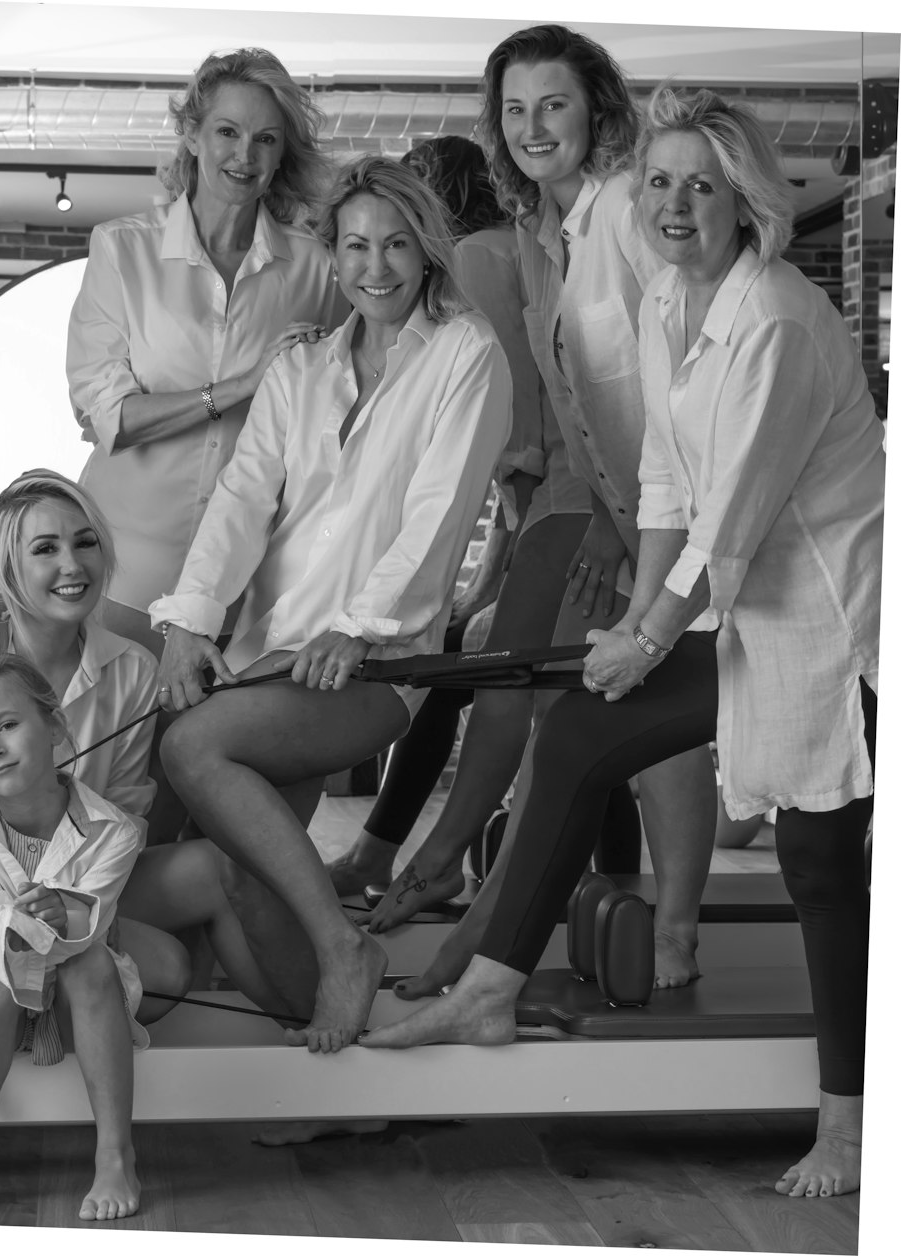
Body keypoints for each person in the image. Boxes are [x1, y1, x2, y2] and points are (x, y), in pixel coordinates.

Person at [363, 86, 883, 1203]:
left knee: (820, 864)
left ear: (744, 199)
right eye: (656, 180)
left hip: (826, 625)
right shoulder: (664, 304)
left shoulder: (779, 318)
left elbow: (735, 510)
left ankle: (847, 1122)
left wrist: (648, 633)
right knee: (582, 734)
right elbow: (661, 479)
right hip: (739, 607)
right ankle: (491, 986)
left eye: (701, 183)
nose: (674, 203)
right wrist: (636, 619)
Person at [360, 27, 717, 993]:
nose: (531, 127)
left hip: (677, 514)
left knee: (650, 713)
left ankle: (671, 928)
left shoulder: (629, 214)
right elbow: (576, 402)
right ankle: (488, 920)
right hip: (626, 504)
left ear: (598, 108)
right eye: (514, 111)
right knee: (607, 711)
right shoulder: (547, 233)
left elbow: (674, 385)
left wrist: (620, 521)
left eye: (552, 104)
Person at [151, 155, 513, 1054]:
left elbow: (441, 511)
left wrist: (360, 627)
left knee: (193, 743)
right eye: (355, 246)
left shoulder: (467, 355)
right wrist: (192, 618)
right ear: (333, 254)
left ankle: (342, 944)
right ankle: (340, 1081)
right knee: (240, 875)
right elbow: (241, 499)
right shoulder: (303, 365)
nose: (375, 267)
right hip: (271, 653)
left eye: (395, 244)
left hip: (378, 662)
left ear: (427, 250)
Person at [328, 134, 639, 899]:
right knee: (556, 699)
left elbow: (517, 430)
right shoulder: (514, 249)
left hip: (571, 497)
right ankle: (596, 885)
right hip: (566, 498)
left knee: (524, 688)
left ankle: (433, 865)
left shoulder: (473, 265)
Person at [0, 471, 277, 1066]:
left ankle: (308, 1026)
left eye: (85, 543)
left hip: (75, 883)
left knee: (207, 882)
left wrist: (74, 904)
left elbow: (127, 809)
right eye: (45, 549)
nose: (73, 564)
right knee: (155, 968)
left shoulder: (131, 669)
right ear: (5, 568)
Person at [67, 47, 340, 657]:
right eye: (227, 131)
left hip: (245, 583)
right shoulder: (122, 252)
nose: (244, 155)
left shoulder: (317, 270)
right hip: (122, 569)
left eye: (265, 139)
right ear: (191, 134)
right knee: (114, 750)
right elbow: (110, 418)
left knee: (197, 750)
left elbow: (334, 413)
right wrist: (243, 385)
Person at [0, 655, 150, 1223]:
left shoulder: (116, 830)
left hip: (77, 989)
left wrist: (65, 914)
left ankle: (115, 1155)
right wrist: (33, 920)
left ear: (52, 727)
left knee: (92, 962)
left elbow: (92, 923)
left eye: (6, 725)